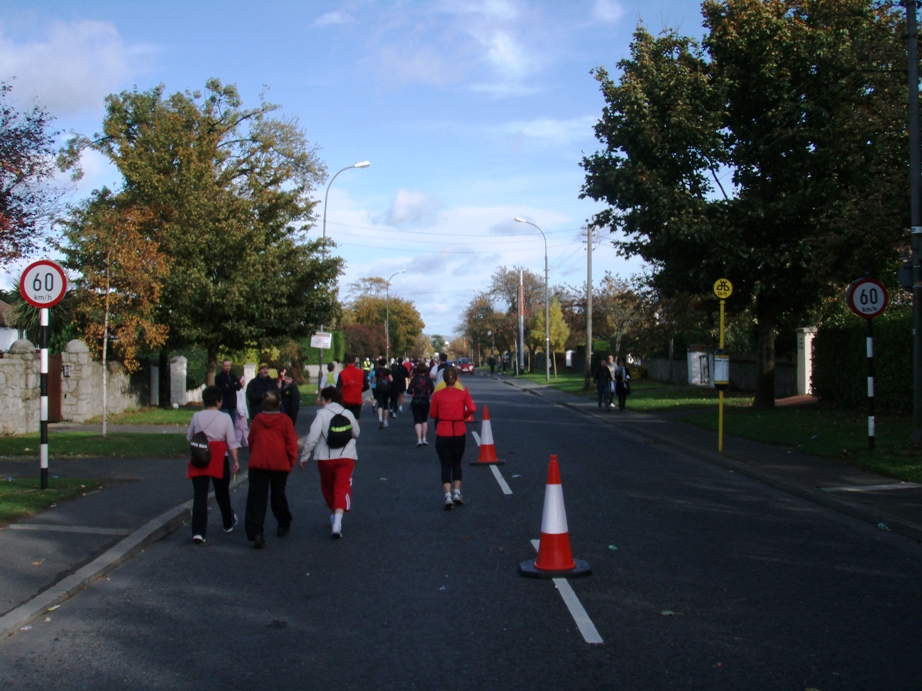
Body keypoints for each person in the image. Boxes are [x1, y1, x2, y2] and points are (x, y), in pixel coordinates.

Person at [299, 386, 360, 539]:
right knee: (342, 486)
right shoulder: (348, 413)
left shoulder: (322, 415)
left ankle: (334, 515)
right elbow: (356, 433)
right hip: (346, 456)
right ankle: (337, 523)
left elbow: (312, 437)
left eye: (323, 400)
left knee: (328, 487)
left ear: (328, 400)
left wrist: (304, 456)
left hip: (325, 457)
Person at [186, 385, 240, 543]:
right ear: (218, 401)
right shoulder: (225, 418)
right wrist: (236, 461)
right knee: (222, 493)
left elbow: (190, 437)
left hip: (200, 457)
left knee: (200, 496)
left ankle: (198, 532)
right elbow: (231, 441)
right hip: (219, 458)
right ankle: (228, 522)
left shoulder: (196, 416)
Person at [245, 389, 298, 549]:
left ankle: (256, 531)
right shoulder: (285, 420)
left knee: (256, 498)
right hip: (279, 462)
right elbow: (291, 442)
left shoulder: (258, 420)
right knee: (278, 495)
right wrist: (291, 461)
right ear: (279, 404)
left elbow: (251, 439)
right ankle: (283, 521)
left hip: (259, 461)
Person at [429, 366, 475, 510]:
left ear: (444, 379)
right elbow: (472, 408)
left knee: (445, 465)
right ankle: (457, 492)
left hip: (444, 431)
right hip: (459, 431)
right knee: (457, 462)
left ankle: (447, 496)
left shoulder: (437, 395)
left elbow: (432, 414)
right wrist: (463, 416)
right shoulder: (462, 394)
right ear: (456, 379)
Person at [406, 362, 434, 447]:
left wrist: (414, 392)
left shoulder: (414, 379)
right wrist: (428, 393)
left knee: (417, 419)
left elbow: (409, 390)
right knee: (424, 419)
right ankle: (424, 438)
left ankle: (419, 439)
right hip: (425, 399)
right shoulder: (428, 379)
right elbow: (432, 388)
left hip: (416, 400)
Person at [337, 352, 367, 420]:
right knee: (356, 418)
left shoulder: (342, 373)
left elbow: (338, 387)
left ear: (346, 361)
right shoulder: (361, 373)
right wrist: (360, 389)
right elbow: (367, 386)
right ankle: (355, 430)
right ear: (355, 361)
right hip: (357, 400)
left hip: (345, 400)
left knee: (346, 418)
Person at [372, 357, 392, 429]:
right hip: (386, 389)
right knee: (386, 405)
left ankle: (380, 419)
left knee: (380, 404)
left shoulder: (377, 371)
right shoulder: (388, 371)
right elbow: (391, 379)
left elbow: (374, 380)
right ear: (385, 363)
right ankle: (385, 421)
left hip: (379, 388)